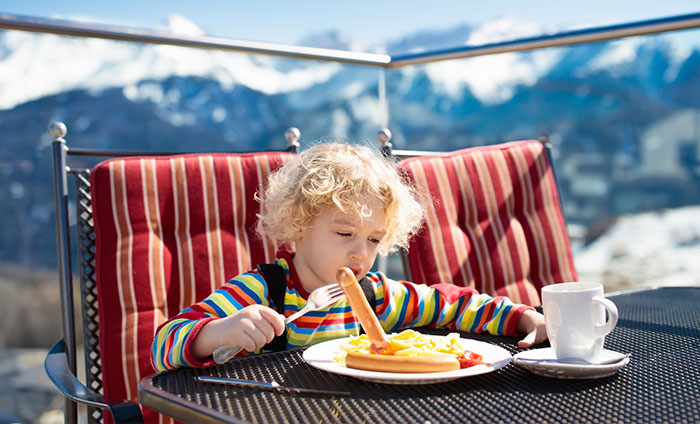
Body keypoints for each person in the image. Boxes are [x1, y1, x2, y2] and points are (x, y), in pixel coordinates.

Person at [152, 142, 547, 371]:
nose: (361, 253)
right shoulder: (263, 291)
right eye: (344, 233)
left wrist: (521, 316)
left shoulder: (375, 297)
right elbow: (162, 347)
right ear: (298, 225)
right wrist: (218, 333)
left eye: (375, 240)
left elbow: (452, 305)